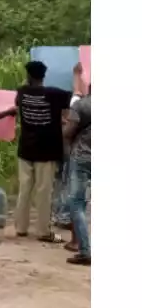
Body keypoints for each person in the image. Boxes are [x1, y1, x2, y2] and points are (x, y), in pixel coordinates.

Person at [0, 60, 73, 242]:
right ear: (43, 76)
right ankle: (42, 231)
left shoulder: (22, 92)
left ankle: (21, 227)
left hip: (26, 149)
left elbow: (17, 103)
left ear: (29, 76)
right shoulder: (54, 94)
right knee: (44, 191)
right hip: (47, 151)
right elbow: (74, 99)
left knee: (25, 189)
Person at [62, 87, 91, 265]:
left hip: (81, 158)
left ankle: (85, 250)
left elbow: (68, 133)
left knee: (77, 203)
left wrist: (65, 126)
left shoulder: (82, 105)